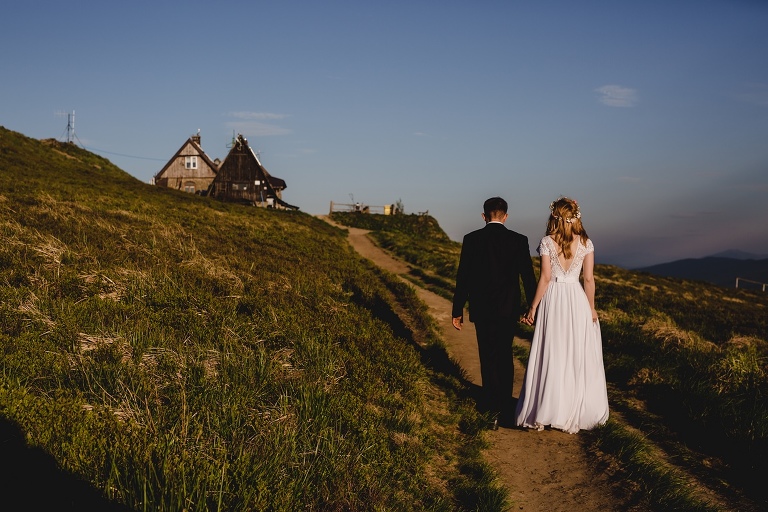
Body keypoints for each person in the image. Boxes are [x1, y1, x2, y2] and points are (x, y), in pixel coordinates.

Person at [515, 197, 609, 434]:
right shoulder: (586, 243)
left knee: (552, 352)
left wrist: (533, 307)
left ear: (553, 217)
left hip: (554, 300)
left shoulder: (547, 242)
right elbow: (589, 279)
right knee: (573, 354)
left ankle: (547, 409)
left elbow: (545, 278)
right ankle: (568, 411)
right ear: (576, 216)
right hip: (576, 299)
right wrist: (591, 308)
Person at [452, 197, 537, 429]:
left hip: (482, 309)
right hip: (508, 309)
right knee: (505, 356)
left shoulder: (471, 240)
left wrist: (457, 309)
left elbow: (463, 278)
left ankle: (491, 412)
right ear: (506, 216)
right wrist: (533, 307)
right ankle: (506, 409)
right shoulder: (519, 240)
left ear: (484, 216)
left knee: (487, 357)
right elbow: (528, 277)